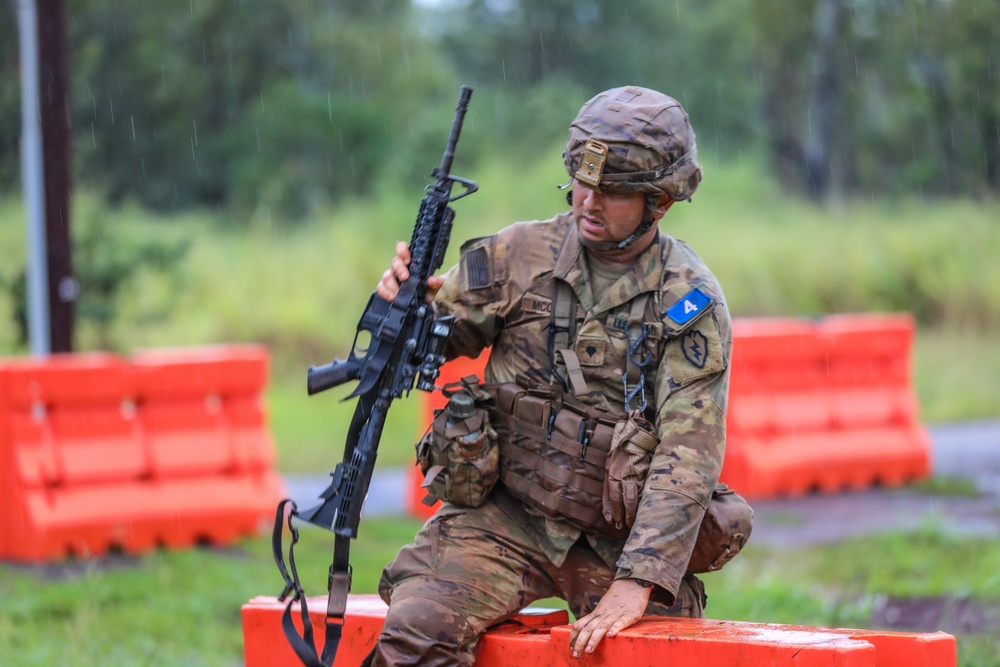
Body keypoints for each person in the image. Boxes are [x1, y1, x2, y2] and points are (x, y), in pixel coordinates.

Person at [371, 85, 732, 665]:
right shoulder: (517, 255)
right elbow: (429, 346)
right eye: (581, 182)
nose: (587, 202)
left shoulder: (687, 302)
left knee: (648, 653)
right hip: (505, 516)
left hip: (618, 537)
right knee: (416, 634)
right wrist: (402, 308)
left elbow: (688, 453)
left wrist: (638, 581)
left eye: (611, 192)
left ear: (658, 202)